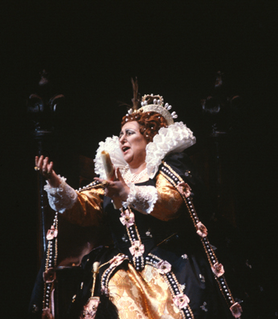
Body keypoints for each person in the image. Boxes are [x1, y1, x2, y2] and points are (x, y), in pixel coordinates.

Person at [34, 94, 242, 319]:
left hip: (170, 261)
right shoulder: (114, 176)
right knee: (113, 292)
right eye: (121, 133)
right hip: (123, 267)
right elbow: (84, 209)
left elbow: (171, 201)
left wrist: (128, 192)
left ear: (149, 138)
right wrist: (54, 181)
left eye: (130, 133)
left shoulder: (166, 169)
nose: (122, 138)